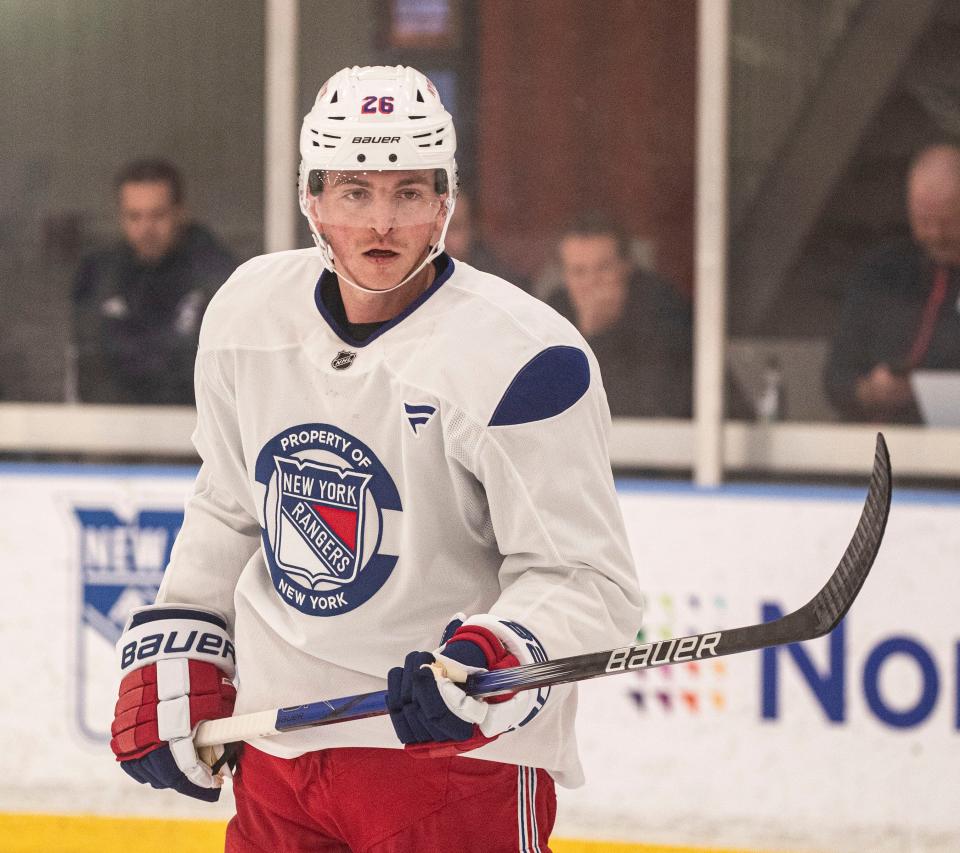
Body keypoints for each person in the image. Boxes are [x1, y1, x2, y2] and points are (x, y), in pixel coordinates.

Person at [109, 65, 643, 852]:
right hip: (278, 759)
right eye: (355, 192)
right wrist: (184, 626)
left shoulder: (527, 357)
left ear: (445, 201)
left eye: (410, 192)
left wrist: (498, 653)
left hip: (452, 767)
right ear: (312, 197)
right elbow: (231, 501)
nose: (382, 223)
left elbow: (588, 580)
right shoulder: (247, 312)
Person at [72, 159, 236, 404]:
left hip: (190, 429)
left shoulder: (217, 276)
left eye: (157, 215)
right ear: (120, 217)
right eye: (134, 216)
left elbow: (207, 370)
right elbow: (88, 363)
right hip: (111, 428)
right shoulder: (101, 274)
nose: (146, 228)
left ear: (180, 213)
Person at [825, 143, 960, 423]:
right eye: (923, 221)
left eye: (947, 222)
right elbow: (836, 376)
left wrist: (920, 393)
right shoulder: (882, 272)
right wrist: (869, 391)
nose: (935, 235)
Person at [547, 212, 693, 418]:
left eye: (603, 268)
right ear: (564, 276)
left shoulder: (662, 307)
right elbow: (552, 399)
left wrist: (598, 335)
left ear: (626, 266)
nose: (591, 282)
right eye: (579, 272)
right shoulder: (554, 310)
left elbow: (652, 404)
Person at [443, 190, 531, 290]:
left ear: (473, 231)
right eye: (433, 228)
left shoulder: (503, 287)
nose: (441, 240)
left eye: (453, 227)